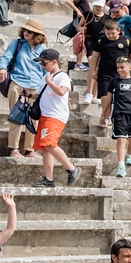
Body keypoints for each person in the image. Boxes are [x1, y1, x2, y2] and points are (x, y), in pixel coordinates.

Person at [0, 17, 47, 159]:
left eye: (30, 31)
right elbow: (6, 58)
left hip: (35, 87)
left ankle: (30, 150)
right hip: (18, 83)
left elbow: (46, 69)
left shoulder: (43, 49)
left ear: (37, 34)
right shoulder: (17, 43)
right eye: (25, 29)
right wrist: (1, 69)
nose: (26, 32)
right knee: (16, 116)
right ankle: (14, 148)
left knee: (34, 119)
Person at [31, 48, 82, 188]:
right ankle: (48, 178)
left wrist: (50, 82)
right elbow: (39, 94)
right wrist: (26, 93)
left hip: (56, 115)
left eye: (44, 63)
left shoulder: (62, 77)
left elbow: (61, 91)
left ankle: (71, 168)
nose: (42, 66)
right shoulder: (45, 77)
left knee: (49, 143)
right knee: (45, 147)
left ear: (54, 62)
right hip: (45, 115)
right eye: (41, 64)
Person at [90, 18, 131, 126]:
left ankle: (118, 117)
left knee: (120, 97)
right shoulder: (101, 41)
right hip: (105, 73)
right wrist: (93, 71)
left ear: (118, 31)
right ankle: (106, 117)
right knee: (104, 97)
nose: (110, 35)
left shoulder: (126, 41)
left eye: (113, 33)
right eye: (108, 33)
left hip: (122, 74)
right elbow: (95, 57)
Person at [107, 56, 131, 177]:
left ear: (130, 67)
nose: (120, 70)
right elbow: (108, 99)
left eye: (122, 67)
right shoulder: (114, 81)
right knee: (121, 139)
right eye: (118, 67)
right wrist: (104, 114)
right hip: (119, 114)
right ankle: (121, 166)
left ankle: (129, 155)